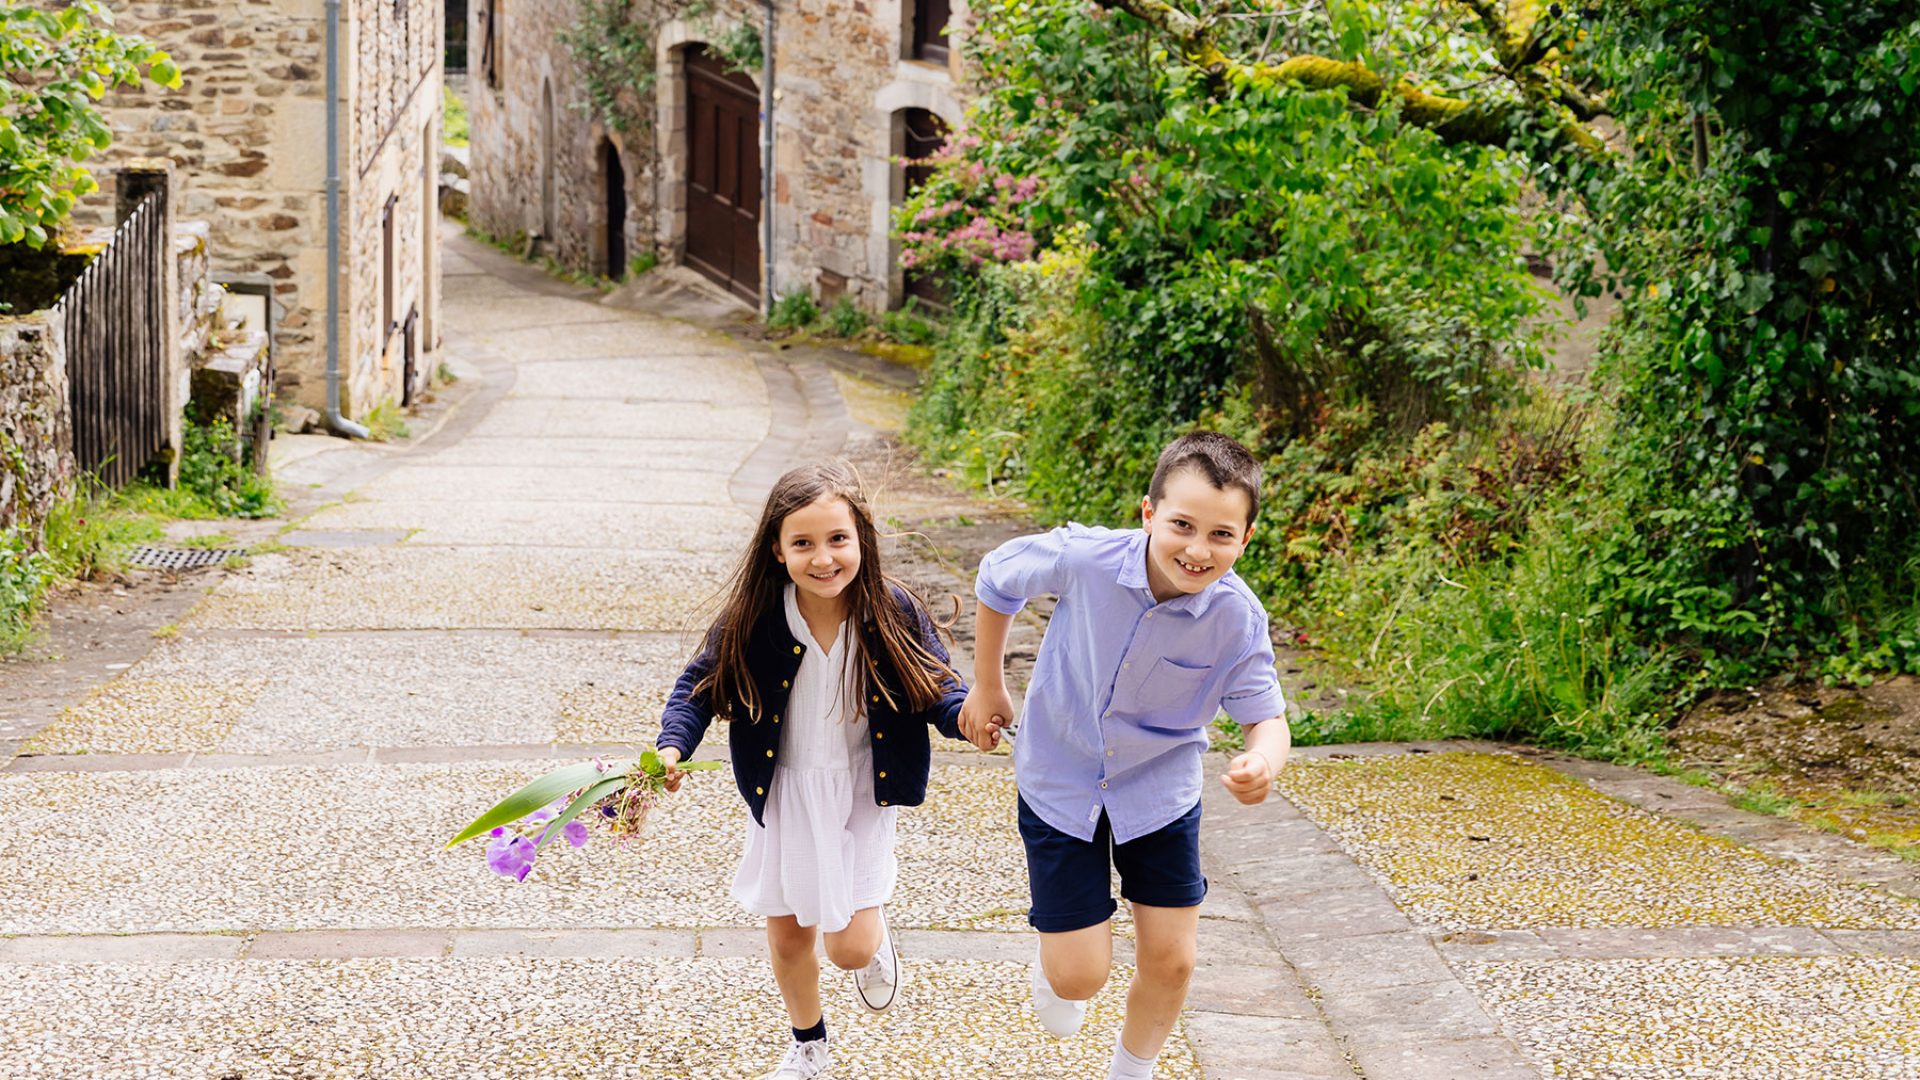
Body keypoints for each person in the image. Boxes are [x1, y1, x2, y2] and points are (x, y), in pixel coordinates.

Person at [959, 430, 1292, 1080]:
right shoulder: (1087, 558)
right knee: (1081, 979)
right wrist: (990, 682)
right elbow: (999, 575)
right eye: (1182, 525)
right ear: (1148, 514)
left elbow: (1267, 719)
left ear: (1246, 539)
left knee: (1173, 961)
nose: (1198, 549)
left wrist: (1264, 762)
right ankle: (1060, 963)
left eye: (1221, 535)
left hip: (1159, 793)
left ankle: (1130, 1073)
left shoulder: (1239, 619)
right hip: (1061, 776)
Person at [657, 461, 969, 1080]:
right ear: (777, 550)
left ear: (861, 541)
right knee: (790, 933)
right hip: (785, 791)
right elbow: (697, 688)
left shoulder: (891, 609)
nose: (822, 558)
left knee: (849, 949)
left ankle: (876, 942)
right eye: (802, 544)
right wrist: (671, 749)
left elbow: (940, 689)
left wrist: (969, 720)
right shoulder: (756, 618)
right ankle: (809, 1047)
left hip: (861, 791)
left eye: (837, 540)